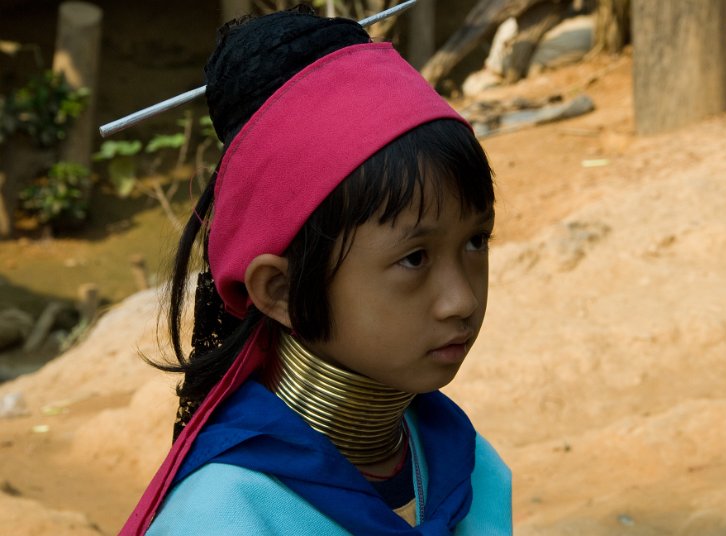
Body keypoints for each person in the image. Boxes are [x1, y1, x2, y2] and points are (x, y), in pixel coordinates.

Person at [122, 5, 511, 535]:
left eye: (475, 242)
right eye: (414, 258)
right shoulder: (224, 517)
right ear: (279, 290)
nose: (461, 300)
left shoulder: (472, 469)